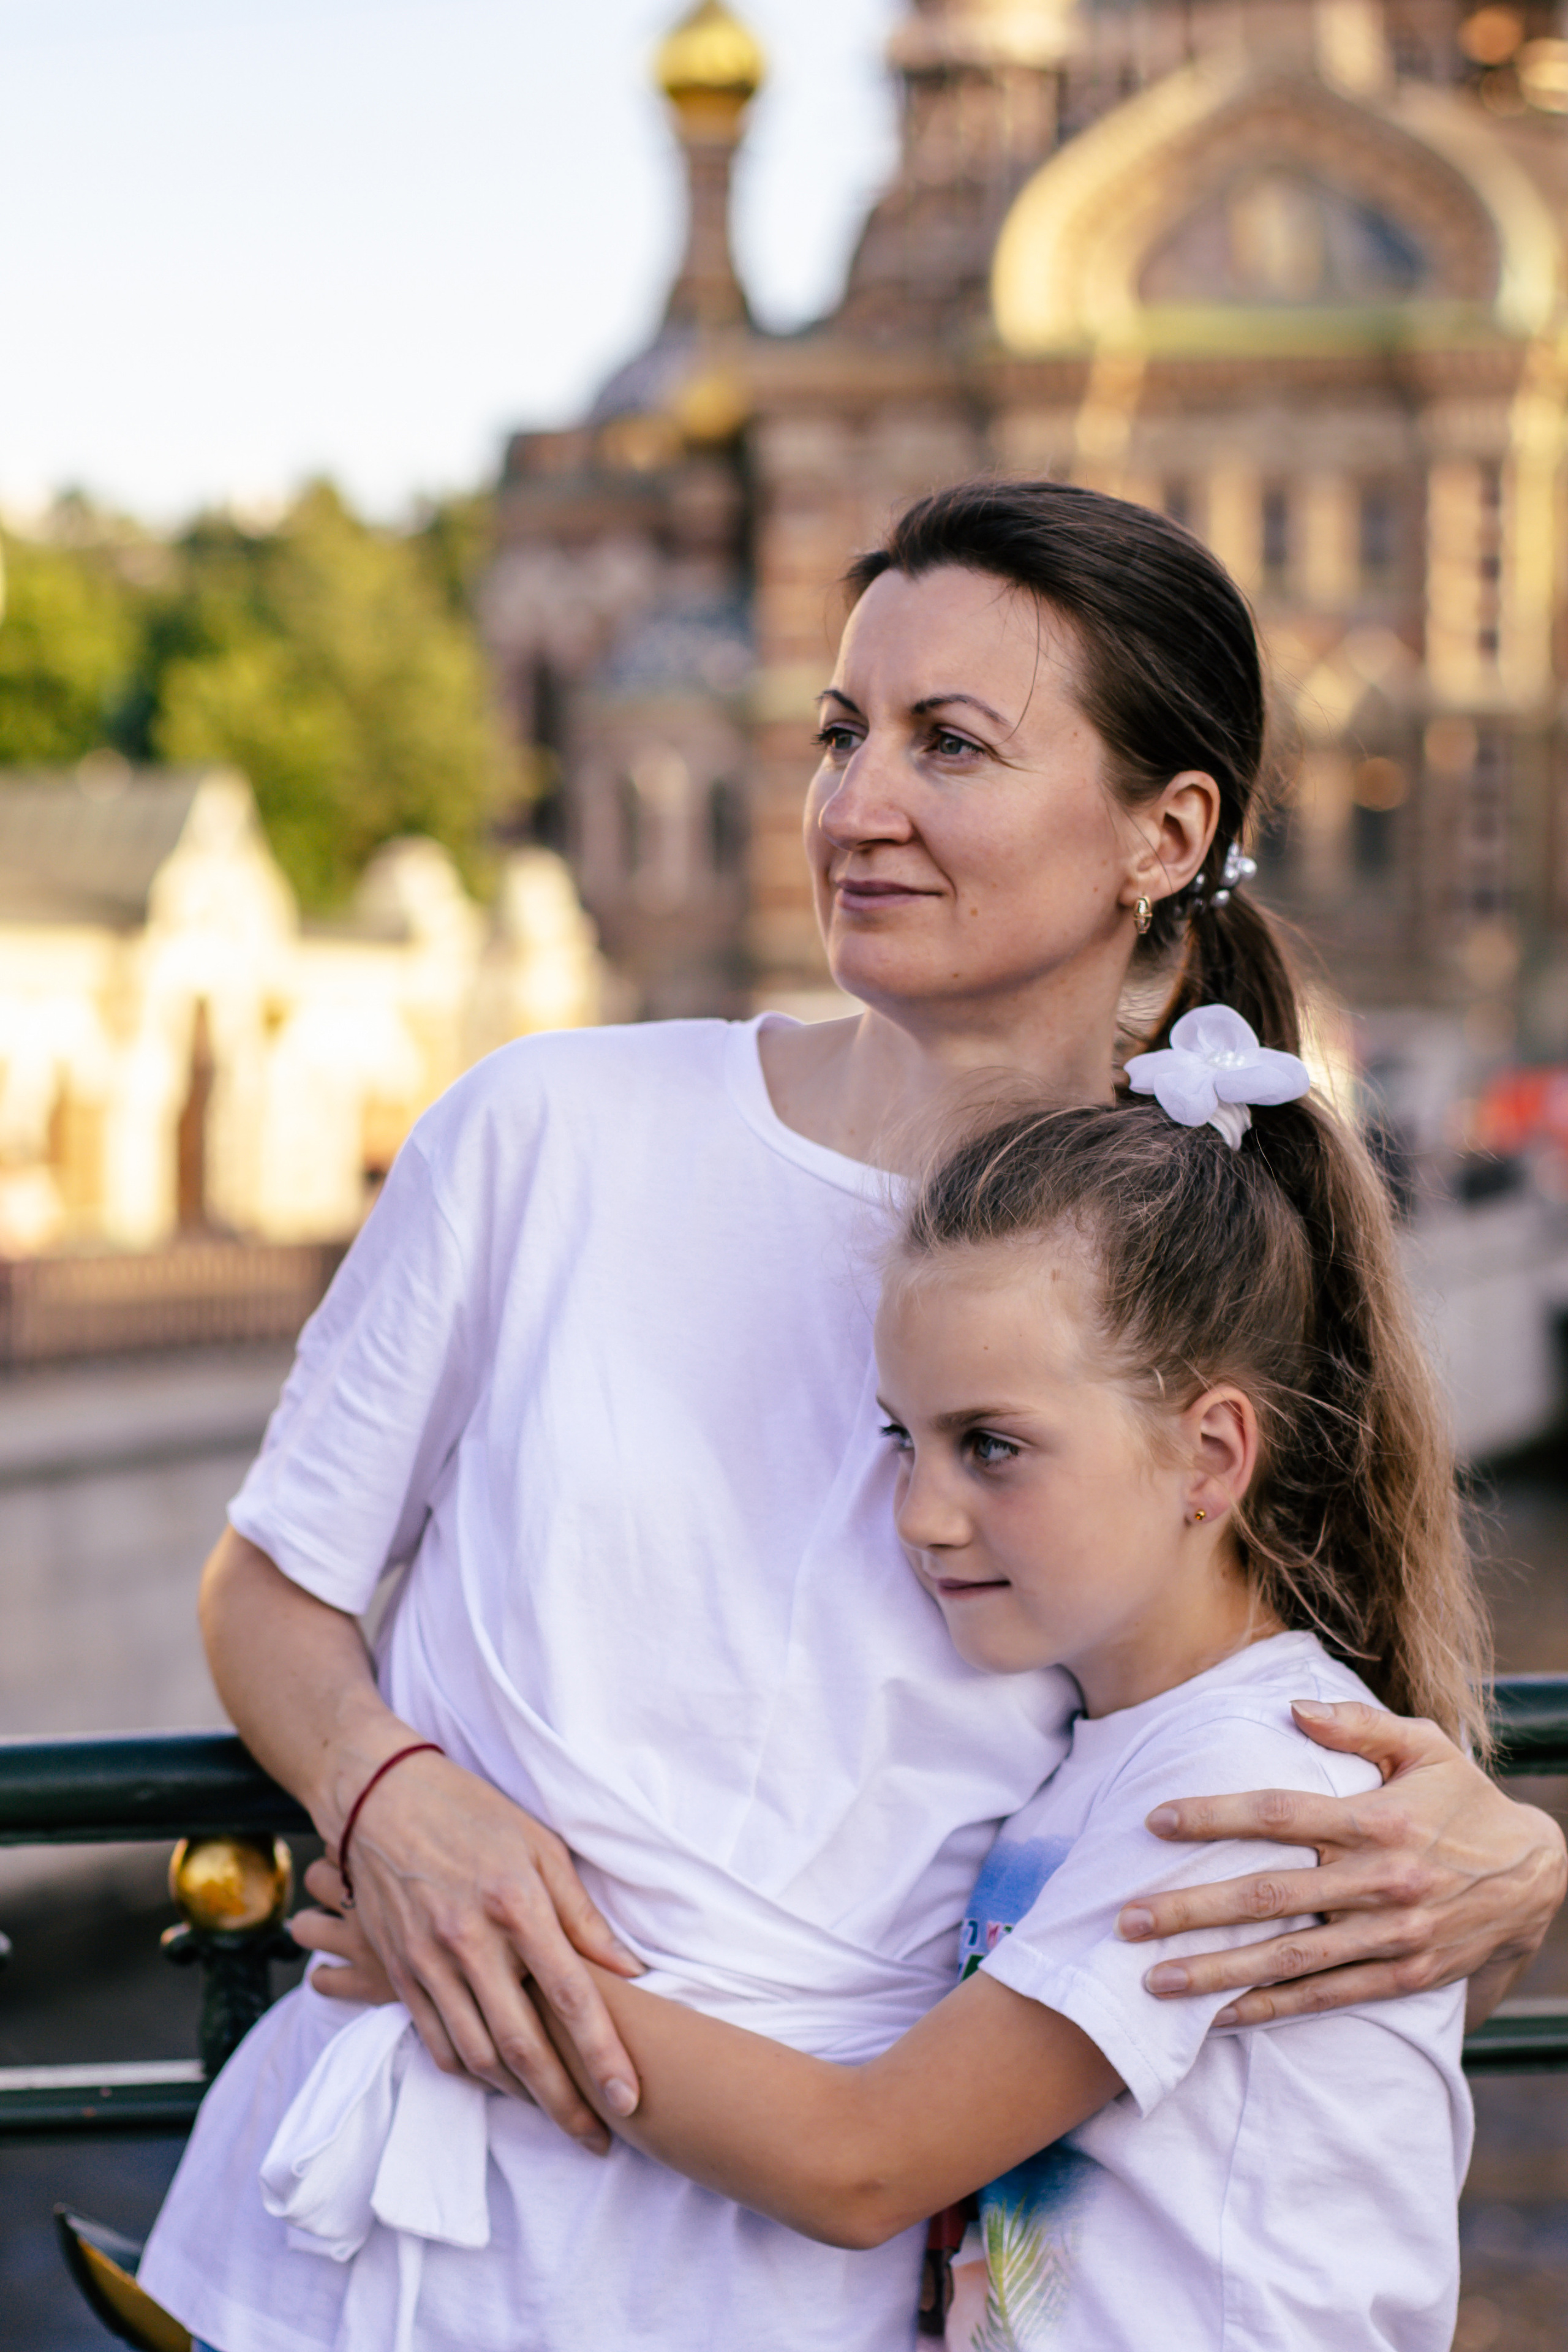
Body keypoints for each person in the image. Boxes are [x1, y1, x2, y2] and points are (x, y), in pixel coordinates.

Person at [138, 480, 1564, 2352]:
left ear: (1166, 830)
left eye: (950, 745)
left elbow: (1273, 1719)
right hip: (343, 2250)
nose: (853, 805)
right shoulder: (547, 1128)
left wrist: (1521, 1847)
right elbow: (269, 1589)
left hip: (767, 2272)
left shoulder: (1203, 1261)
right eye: (841, 731)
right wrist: (388, 1796)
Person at [299, 1011, 1483, 2348]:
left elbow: (858, 2164)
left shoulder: (1238, 1799)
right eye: (900, 1439)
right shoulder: (1118, 1762)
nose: (916, 1513)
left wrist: (472, 1974)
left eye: (988, 1447)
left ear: (1210, 1456)